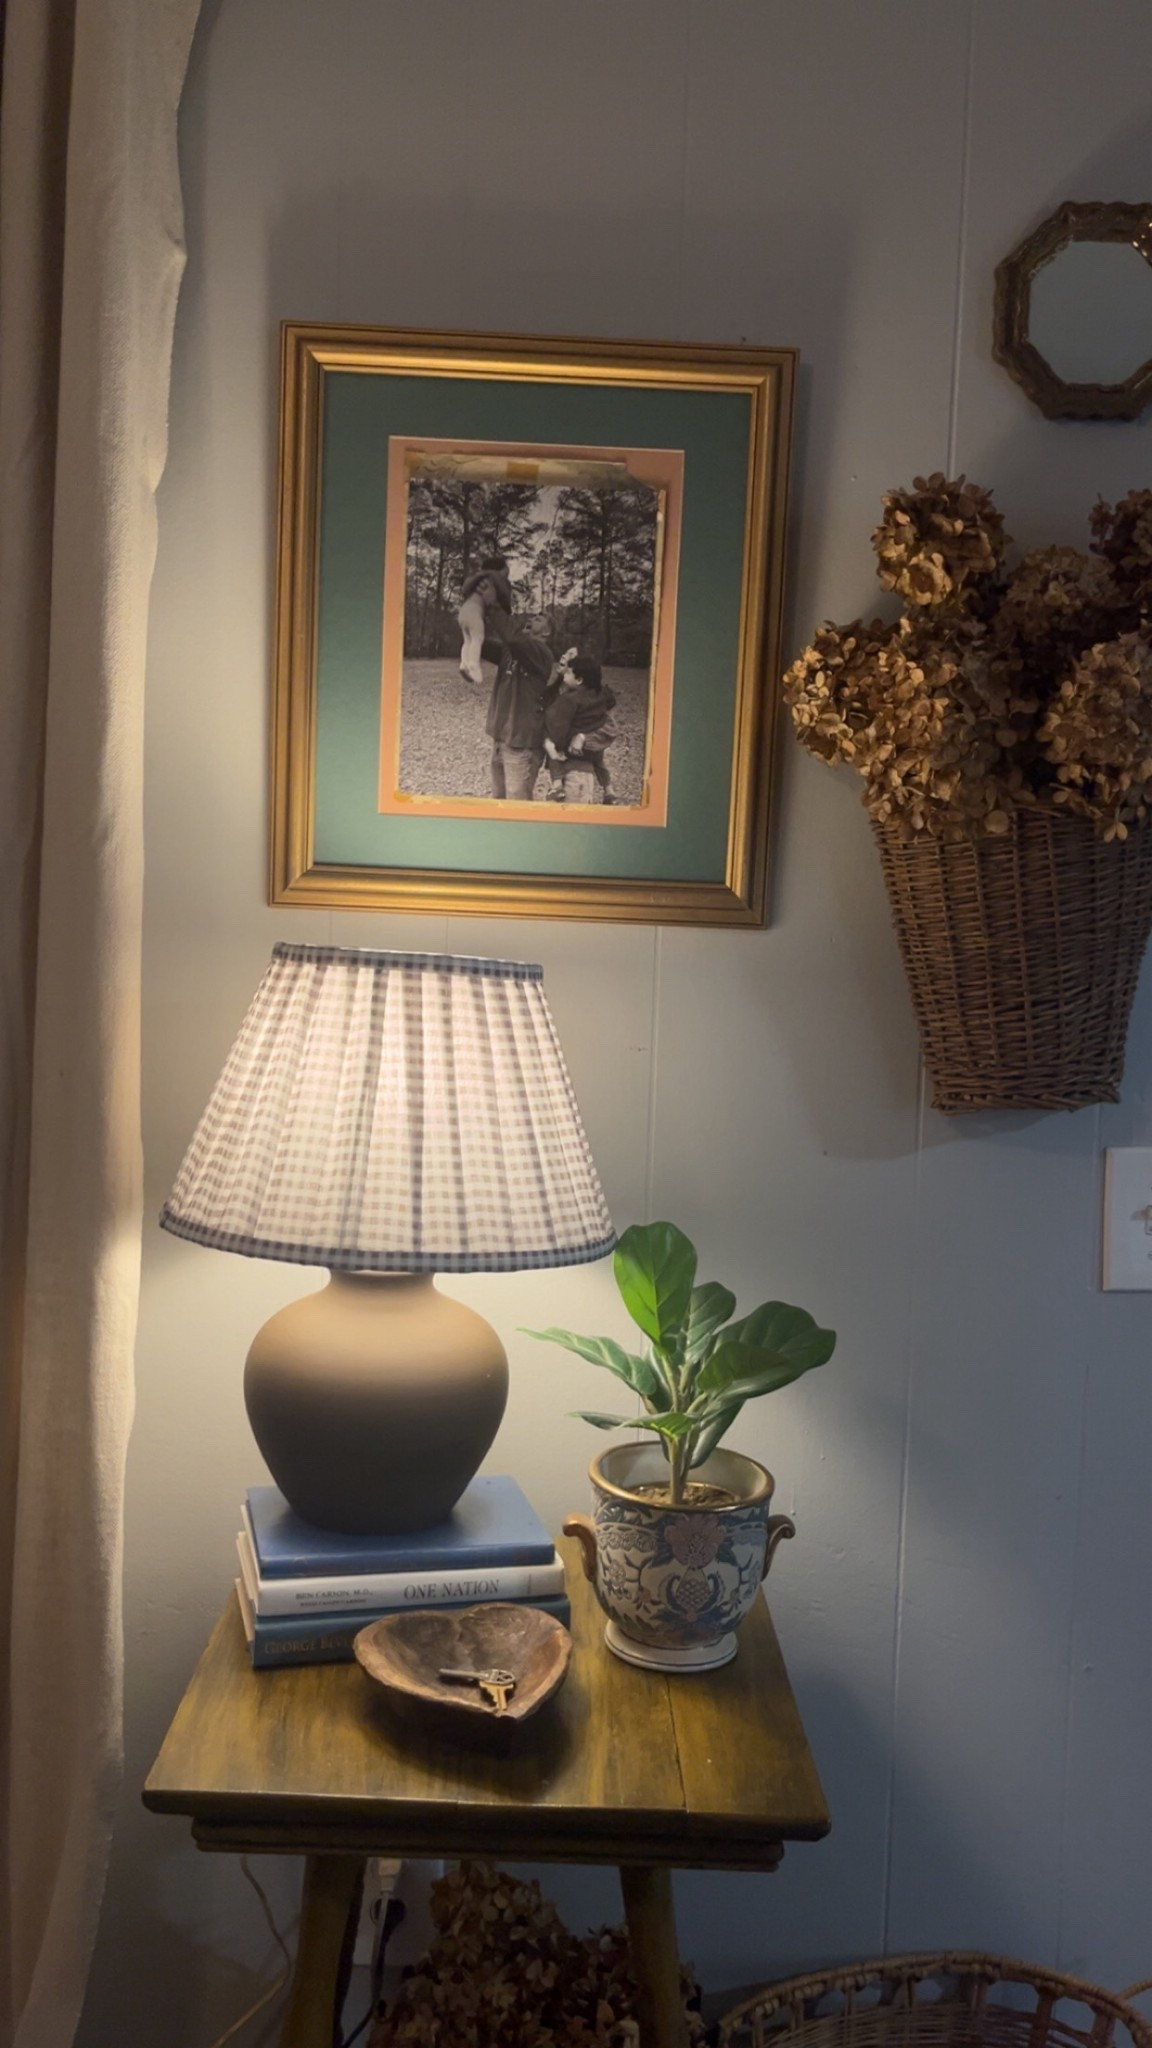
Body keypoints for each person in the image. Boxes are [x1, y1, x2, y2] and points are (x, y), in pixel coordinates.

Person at [542, 653, 618, 804]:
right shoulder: (600, 694)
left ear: (579, 680)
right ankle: (609, 791)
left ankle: (556, 786)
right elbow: (610, 702)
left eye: (569, 672)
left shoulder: (569, 699)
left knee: (555, 750)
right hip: (592, 750)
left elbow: (555, 725)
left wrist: (548, 742)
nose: (565, 673)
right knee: (599, 761)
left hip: (572, 756)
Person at [456, 554, 514, 684]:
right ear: (499, 570)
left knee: (467, 640)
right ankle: (474, 667)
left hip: (464, 611)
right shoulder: (496, 578)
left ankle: (464, 664)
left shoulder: (477, 578)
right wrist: (507, 608)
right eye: (506, 573)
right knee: (478, 638)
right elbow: (504, 595)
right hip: (475, 611)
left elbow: (464, 589)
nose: (506, 577)